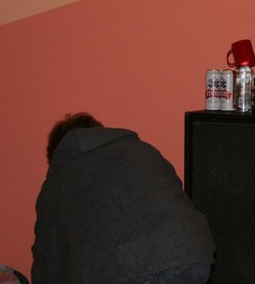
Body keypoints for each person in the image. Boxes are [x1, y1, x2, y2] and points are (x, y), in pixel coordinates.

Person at [31, 113, 215, 284]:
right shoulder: (143, 150)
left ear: (56, 153)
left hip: (127, 270)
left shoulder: (56, 184)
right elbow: (179, 200)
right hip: (191, 256)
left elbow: (48, 263)